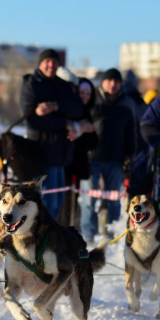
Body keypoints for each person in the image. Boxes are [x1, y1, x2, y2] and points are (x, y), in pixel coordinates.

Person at [19, 49, 83, 218]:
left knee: (58, 200)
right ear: (40, 63)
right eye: (47, 61)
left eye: (54, 62)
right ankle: (41, 239)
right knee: (46, 203)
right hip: (40, 153)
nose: (51, 65)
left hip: (61, 154)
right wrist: (64, 121)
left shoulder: (63, 85)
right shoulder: (31, 85)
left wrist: (55, 107)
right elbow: (31, 119)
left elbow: (77, 108)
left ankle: (46, 238)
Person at [84, 68, 136, 238]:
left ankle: (112, 236)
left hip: (115, 159)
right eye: (110, 80)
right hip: (92, 157)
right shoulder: (92, 100)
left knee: (114, 201)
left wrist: (130, 154)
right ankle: (88, 236)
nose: (113, 84)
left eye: (117, 81)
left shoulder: (127, 103)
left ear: (121, 84)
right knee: (89, 200)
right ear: (103, 82)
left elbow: (131, 131)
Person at [61, 77, 98, 232]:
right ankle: (63, 230)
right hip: (65, 162)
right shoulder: (71, 109)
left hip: (80, 164)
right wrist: (80, 129)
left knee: (75, 202)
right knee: (63, 201)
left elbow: (94, 141)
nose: (85, 96)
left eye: (88, 93)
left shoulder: (90, 112)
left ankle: (72, 231)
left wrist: (83, 132)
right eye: (82, 92)